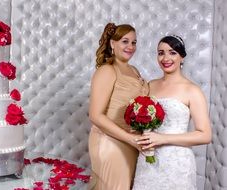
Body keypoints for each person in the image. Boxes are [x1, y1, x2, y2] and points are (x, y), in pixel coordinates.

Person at [132, 35, 212, 190]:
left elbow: (205, 135)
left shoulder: (192, 90)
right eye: (161, 52)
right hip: (147, 160)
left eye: (172, 52)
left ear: (182, 57)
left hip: (176, 163)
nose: (165, 58)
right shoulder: (150, 85)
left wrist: (163, 138)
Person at [88, 23, 149, 190]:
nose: (130, 46)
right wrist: (130, 138)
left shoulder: (134, 70)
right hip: (110, 142)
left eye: (134, 42)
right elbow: (95, 115)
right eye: (125, 41)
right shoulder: (107, 71)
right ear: (112, 43)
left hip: (132, 142)